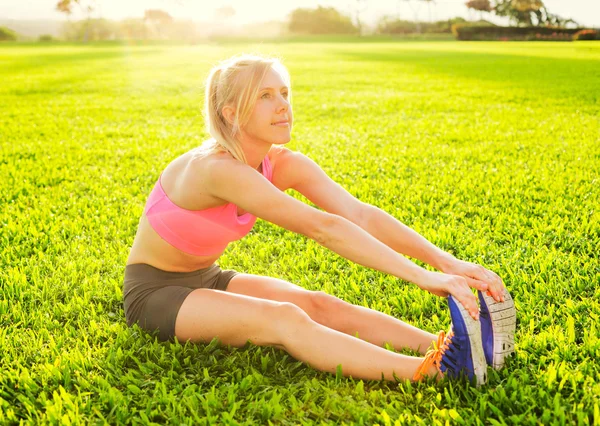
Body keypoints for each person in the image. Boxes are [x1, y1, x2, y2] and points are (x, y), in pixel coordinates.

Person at [123, 53, 516, 386]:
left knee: (320, 304)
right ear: (231, 113)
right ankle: (434, 371)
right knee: (284, 318)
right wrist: (424, 278)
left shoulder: (281, 163)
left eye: (284, 93)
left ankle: (448, 345)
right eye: (264, 96)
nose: (283, 105)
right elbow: (322, 227)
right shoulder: (215, 170)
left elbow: (360, 214)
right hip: (156, 293)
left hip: (208, 277)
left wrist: (446, 263)